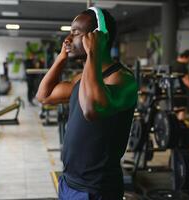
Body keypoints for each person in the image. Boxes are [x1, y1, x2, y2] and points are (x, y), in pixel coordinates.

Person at [36, 7, 138, 200]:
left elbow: (92, 110)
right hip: (69, 181)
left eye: (75, 32)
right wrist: (61, 57)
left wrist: (94, 53)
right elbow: (44, 96)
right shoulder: (79, 79)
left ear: (98, 37)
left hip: (96, 188)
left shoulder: (122, 80)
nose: (67, 39)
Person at [170, 49, 189, 120]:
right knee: (182, 110)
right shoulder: (182, 67)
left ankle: (175, 127)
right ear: (188, 57)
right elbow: (186, 82)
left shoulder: (173, 64)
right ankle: (180, 127)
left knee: (175, 110)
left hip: (172, 92)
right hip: (181, 93)